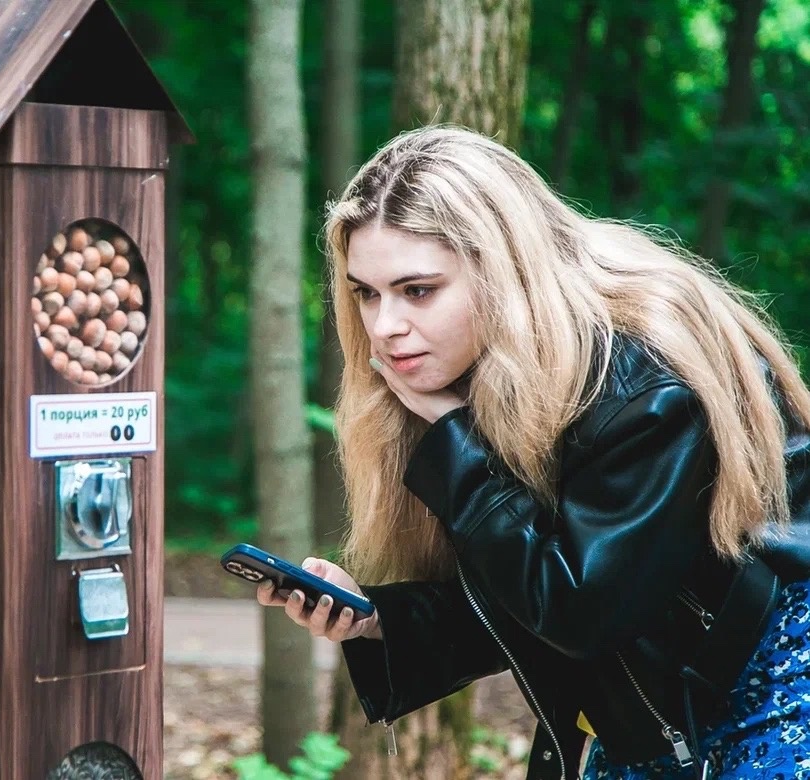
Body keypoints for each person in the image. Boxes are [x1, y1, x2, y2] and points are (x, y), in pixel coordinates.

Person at [257, 125, 810, 780]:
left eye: (418, 290)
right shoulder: (489, 371)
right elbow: (536, 586)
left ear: (503, 270)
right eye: (366, 293)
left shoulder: (641, 379)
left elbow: (580, 611)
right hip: (664, 706)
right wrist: (381, 619)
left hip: (778, 686)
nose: (385, 326)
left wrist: (452, 438)